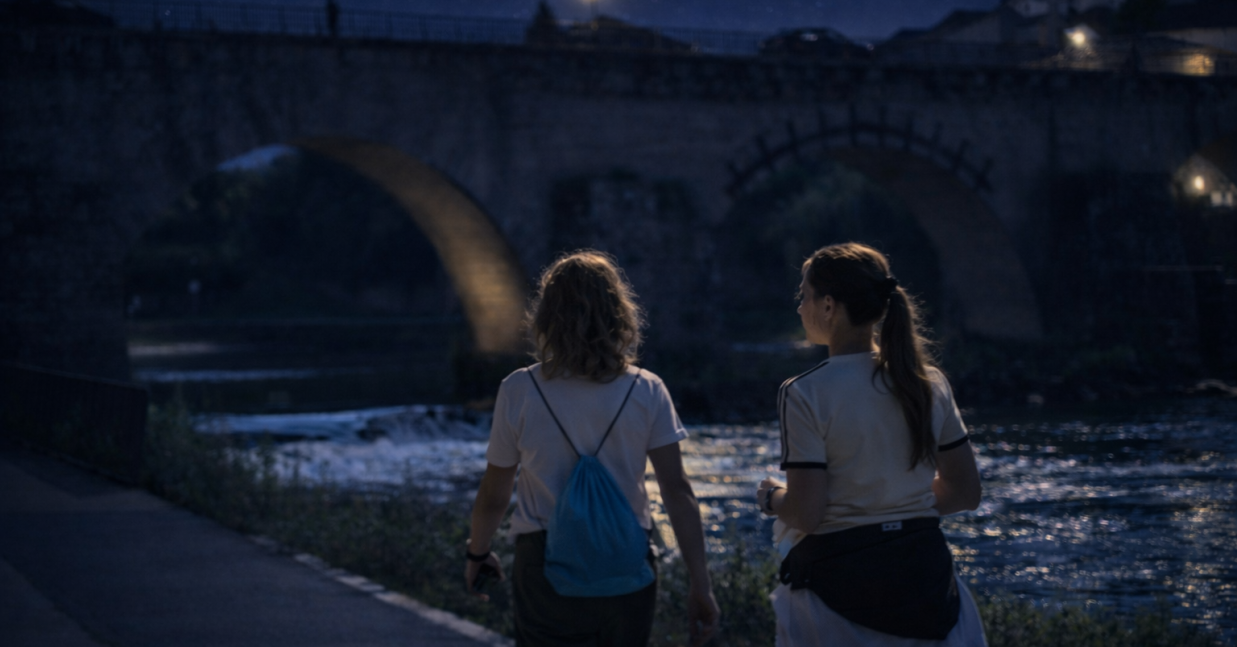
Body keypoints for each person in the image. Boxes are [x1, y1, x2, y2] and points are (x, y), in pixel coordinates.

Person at [466, 250, 720, 646]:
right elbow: (676, 490)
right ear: (619, 314)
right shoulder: (647, 388)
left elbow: (495, 493)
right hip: (626, 561)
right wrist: (701, 584)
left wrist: (477, 554)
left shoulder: (519, 389)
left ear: (547, 316)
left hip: (544, 563)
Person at [754, 242, 986, 647]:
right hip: (930, 590)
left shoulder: (804, 393)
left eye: (803, 296)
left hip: (836, 598)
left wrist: (772, 498)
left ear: (829, 306)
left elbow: (807, 515)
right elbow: (965, 492)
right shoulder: (930, 382)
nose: (799, 308)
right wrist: (892, 502)